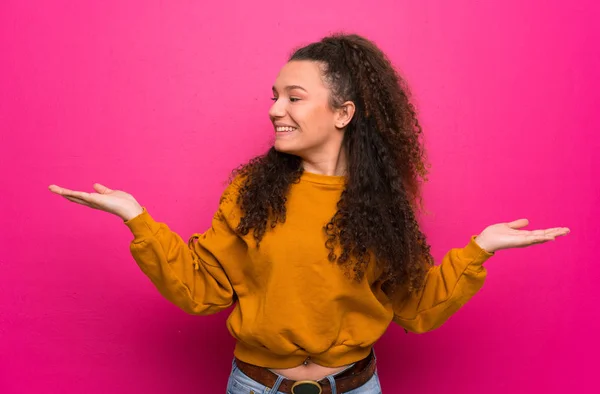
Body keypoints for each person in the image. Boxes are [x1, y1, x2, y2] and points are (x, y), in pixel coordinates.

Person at [48, 33, 570, 394]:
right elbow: (203, 290)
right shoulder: (252, 191)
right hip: (256, 385)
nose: (276, 109)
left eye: (295, 98)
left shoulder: (381, 205)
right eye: (274, 97)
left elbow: (414, 308)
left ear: (344, 113)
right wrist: (137, 218)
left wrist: (479, 250)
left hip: (355, 384)